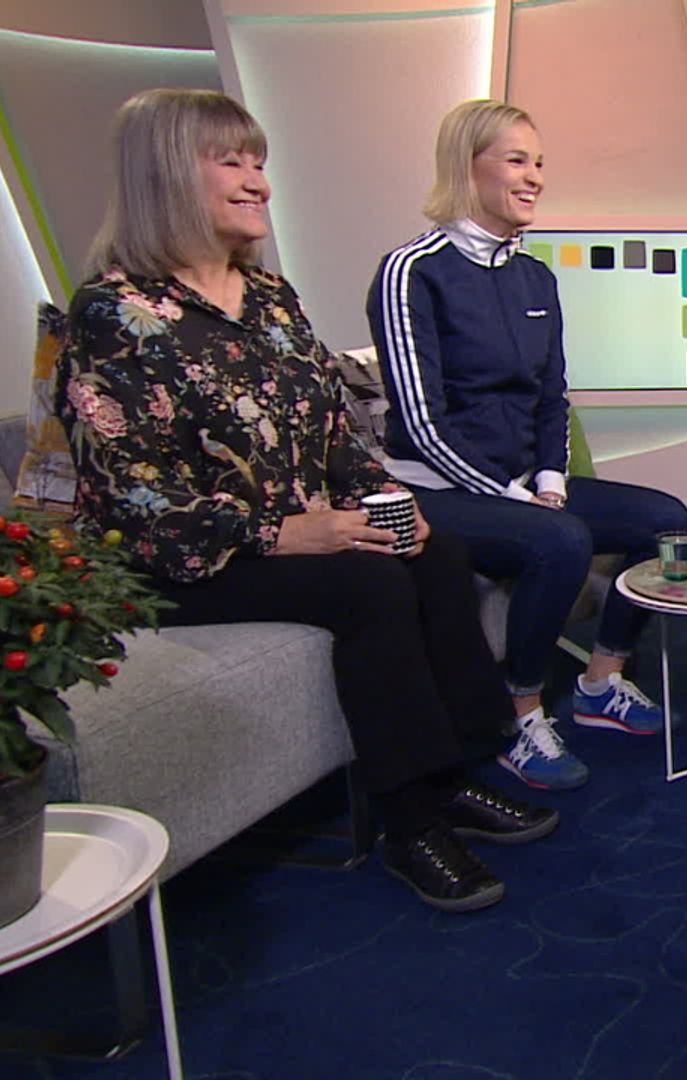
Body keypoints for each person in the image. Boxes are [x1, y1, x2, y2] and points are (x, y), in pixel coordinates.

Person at [57, 89, 556, 913]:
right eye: (232, 162)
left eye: (260, 163)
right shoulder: (113, 314)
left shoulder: (271, 298)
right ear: (165, 175)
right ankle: (410, 824)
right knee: (369, 584)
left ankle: (457, 772)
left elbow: (333, 434)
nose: (258, 182)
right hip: (178, 559)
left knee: (436, 553)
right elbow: (133, 495)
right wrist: (285, 533)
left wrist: (387, 498)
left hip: (296, 532)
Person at [367, 100, 687, 790]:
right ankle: (519, 716)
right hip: (436, 489)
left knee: (667, 521)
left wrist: (549, 480)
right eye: (516, 160)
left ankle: (601, 682)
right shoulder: (411, 272)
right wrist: (514, 497)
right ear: (466, 166)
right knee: (560, 540)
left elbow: (552, 397)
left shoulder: (535, 277)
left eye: (539, 162)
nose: (535, 177)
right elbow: (421, 422)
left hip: (521, 484)